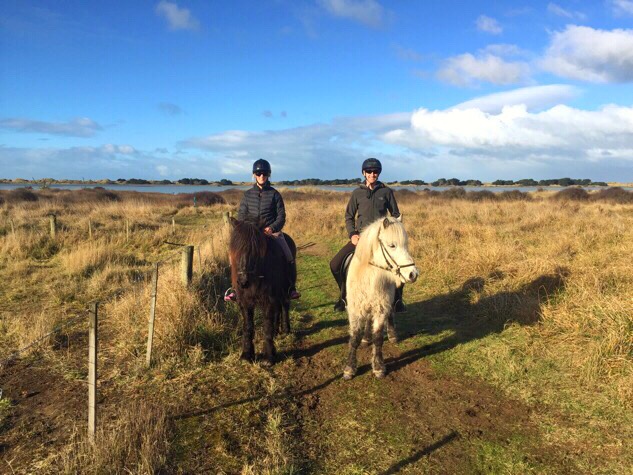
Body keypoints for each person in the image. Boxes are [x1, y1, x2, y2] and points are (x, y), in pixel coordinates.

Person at [329, 157, 405, 312]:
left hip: (381, 240)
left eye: (375, 171)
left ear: (378, 173)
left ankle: (397, 300)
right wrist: (352, 234)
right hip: (361, 239)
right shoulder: (357, 193)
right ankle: (344, 296)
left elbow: (396, 215)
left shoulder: (386, 192)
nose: (372, 174)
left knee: (400, 263)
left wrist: (391, 231)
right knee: (335, 264)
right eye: (369, 171)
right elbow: (349, 216)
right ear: (364, 173)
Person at [224, 159, 300, 301]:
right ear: (254, 175)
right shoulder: (247, 195)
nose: (261, 176)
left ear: (268, 175)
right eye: (258, 173)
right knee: (234, 257)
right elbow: (241, 217)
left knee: (288, 255)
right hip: (252, 235)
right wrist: (249, 231)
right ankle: (234, 288)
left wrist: (272, 228)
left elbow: (281, 216)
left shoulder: (275, 194)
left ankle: (290, 287)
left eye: (264, 173)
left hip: (270, 232)